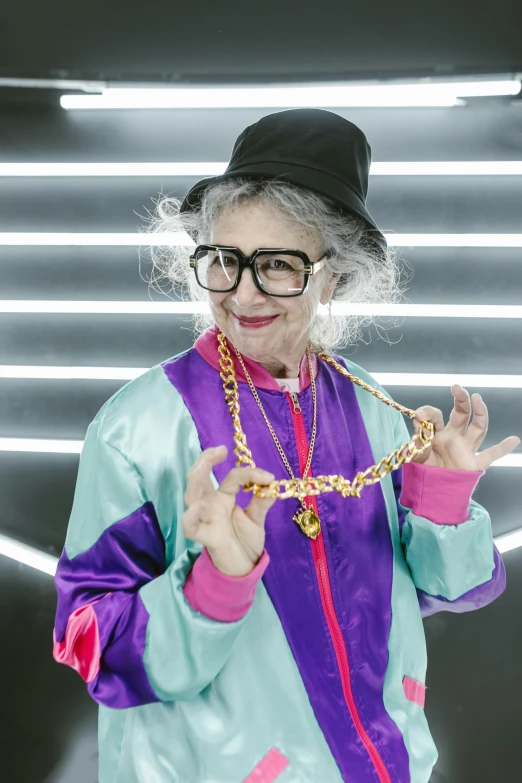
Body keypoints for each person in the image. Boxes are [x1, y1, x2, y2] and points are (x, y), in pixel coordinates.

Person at [52, 108, 515, 783]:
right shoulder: (136, 429)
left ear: (335, 274)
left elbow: (450, 592)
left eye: (276, 265)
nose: (243, 293)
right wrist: (213, 582)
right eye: (225, 261)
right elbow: (87, 639)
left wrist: (440, 508)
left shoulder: (373, 409)